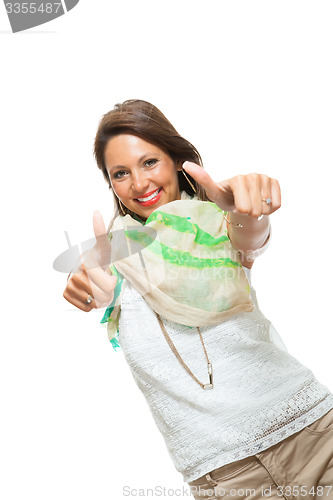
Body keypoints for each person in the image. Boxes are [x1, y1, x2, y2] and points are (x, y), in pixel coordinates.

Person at [63, 100, 333, 499]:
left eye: (150, 162)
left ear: (175, 160)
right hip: (226, 473)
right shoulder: (114, 254)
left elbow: (249, 241)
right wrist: (88, 286)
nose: (139, 183)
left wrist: (249, 213)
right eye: (121, 173)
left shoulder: (216, 219)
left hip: (313, 432)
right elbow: (98, 283)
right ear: (111, 184)